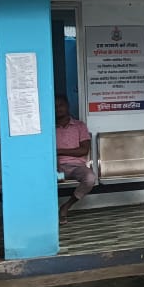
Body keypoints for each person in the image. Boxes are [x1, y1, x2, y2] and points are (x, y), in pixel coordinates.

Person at [55, 94, 95, 225]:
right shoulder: (49, 128)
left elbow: (83, 150)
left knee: (90, 178)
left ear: (67, 106)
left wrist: (59, 151)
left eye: (61, 105)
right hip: (57, 167)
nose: (58, 108)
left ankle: (66, 206)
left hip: (77, 168)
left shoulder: (79, 126)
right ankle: (50, 211)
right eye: (55, 106)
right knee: (50, 179)